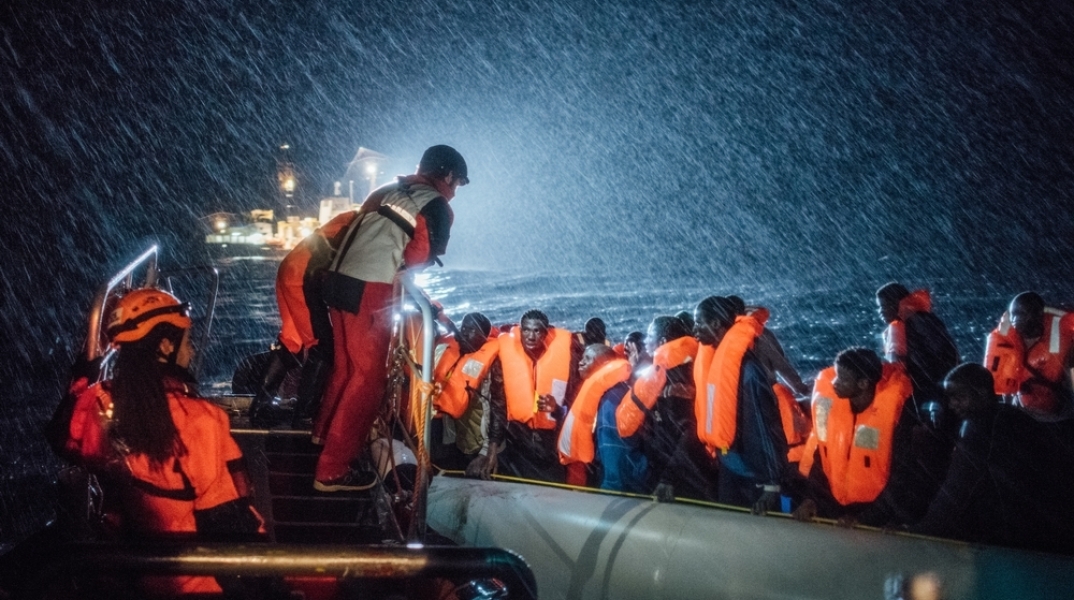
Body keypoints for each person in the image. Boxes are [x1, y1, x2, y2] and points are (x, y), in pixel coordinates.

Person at [53, 289, 264, 596]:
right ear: (165, 346)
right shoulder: (202, 420)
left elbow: (62, 436)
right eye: (186, 342)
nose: (190, 351)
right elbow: (229, 522)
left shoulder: (95, 403)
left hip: (122, 575)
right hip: (195, 585)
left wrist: (90, 365)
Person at [313, 145, 468, 492]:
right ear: (446, 176)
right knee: (369, 381)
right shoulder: (436, 204)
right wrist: (404, 269)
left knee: (345, 368)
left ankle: (321, 436)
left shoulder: (383, 190)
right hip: (371, 286)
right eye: (456, 184)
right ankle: (331, 471)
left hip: (337, 280)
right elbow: (422, 251)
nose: (455, 192)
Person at [912, 363, 1074, 553]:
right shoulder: (1008, 416)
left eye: (959, 397)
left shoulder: (981, 427)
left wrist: (923, 531)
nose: (951, 404)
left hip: (1023, 538)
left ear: (981, 394)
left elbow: (958, 487)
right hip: (1050, 525)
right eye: (949, 398)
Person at [247, 210, 359, 428]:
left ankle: (260, 408)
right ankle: (305, 416)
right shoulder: (370, 224)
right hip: (304, 275)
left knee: (292, 343)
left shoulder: (356, 217)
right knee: (324, 346)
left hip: (291, 266)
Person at [793, 348, 918, 527]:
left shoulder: (897, 417)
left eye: (843, 379)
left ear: (863, 384)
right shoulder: (832, 409)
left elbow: (901, 477)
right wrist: (811, 500)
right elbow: (821, 457)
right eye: (836, 376)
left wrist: (866, 520)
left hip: (877, 514)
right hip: (837, 507)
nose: (834, 383)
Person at [693, 296, 788, 513]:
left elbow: (763, 425)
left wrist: (771, 484)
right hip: (729, 463)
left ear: (716, 324)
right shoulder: (717, 359)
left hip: (752, 472)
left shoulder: (747, 370)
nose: (694, 329)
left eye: (699, 323)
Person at [615, 316, 716, 500]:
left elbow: (690, 431)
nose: (645, 341)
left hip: (683, 480)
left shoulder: (675, 379)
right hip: (674, 471)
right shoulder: (676, 371)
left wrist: (668, 478)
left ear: (662, 342)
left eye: (650, 336)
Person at [493, 309, 582, 483]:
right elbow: (498, 405)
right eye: (526, 330)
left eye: (537, 331)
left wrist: (557, 409)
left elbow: (574, 409)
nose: (530, 336)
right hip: (518, 441)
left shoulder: (568, 361)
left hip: (550, 446)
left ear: (545, 333)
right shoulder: (504, 359)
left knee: (552, 493)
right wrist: (492, 449)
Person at [727, 295, 812, 464]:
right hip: (761, 396)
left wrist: (799, 388)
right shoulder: (759, 333)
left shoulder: (734, 336)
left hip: (754, 398)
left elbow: (781, 365)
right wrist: (800, 388)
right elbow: (782, 365)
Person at [430, 312, 505, 479]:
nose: (464, 332)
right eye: (463, 327)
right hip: (459, 443)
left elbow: (498, 408)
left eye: (470, 330)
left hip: (482, 446)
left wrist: (487, 452)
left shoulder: (492, 365)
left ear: (483, 336)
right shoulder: (454, 354)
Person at [875, 282, 960, 420]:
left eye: (884, 306)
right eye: (879, 308)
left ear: (898, 303)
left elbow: (941, 354)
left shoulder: (920, 322)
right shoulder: (903, 325)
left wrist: (929, 386)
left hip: (930, 391)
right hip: (919, 390)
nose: (880, 312)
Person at [983, 291, 1074, 416]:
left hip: (1055, 416)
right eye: (1017, 314)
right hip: (1017, 414)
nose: (1019, 319)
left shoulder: (1066, 343)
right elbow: (1002, 387)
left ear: (1040, 316)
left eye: (1027, 313)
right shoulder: (1005, 344)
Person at [558, 344, 632, 487]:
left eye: (587, 359)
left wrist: (609, 488)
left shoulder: (612, 399)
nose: (581, 362)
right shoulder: (594, 389)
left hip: (597, 477)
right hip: (587, 471)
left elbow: (611, 447)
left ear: (604, 364)